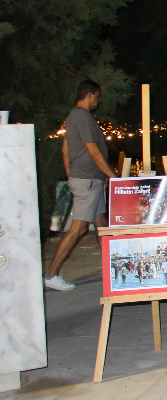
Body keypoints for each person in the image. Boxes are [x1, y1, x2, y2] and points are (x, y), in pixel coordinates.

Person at [43, 80, 117, 291]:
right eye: (98, 96)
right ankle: (50, 274)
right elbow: (93, 152)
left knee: (101, 224)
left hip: (86, 179)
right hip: (88, 181)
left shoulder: (73, 116)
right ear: (90, 95)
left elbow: (65, 150)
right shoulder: (82, 117)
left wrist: (71, 176)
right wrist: (113, 176)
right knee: (80, 228)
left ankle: (113, 270)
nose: (99, 100)